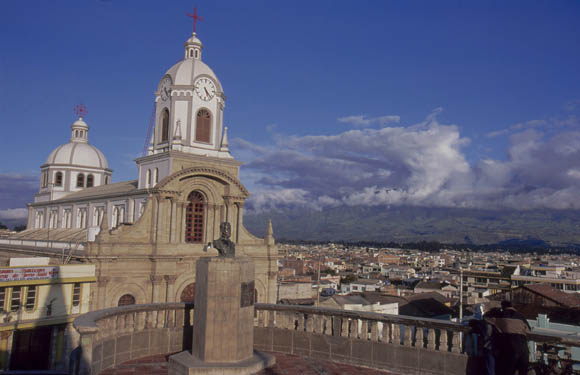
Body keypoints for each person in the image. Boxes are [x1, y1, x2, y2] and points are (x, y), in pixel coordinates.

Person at [484, 301, 531, 375]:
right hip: (523, 350)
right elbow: (528, 330)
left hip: (509, 349)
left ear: (502, 307)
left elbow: (486, 318)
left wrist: (494, 310)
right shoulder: (521, 316)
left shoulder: (499, 315)